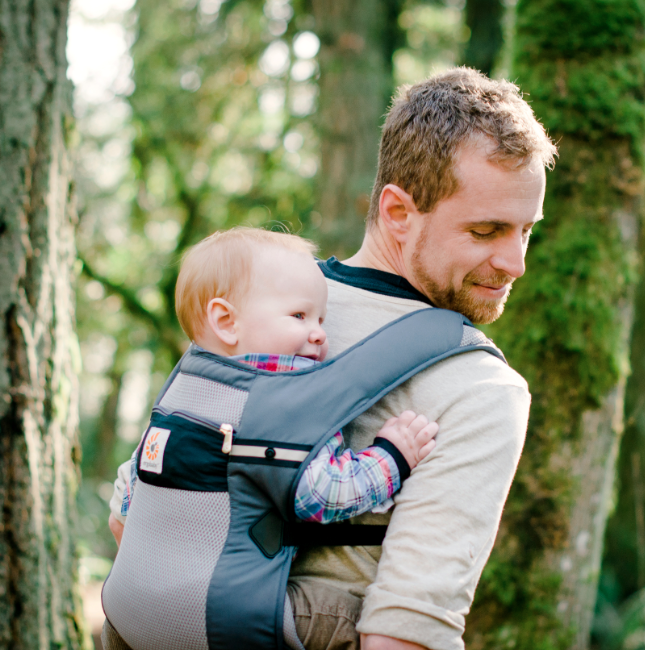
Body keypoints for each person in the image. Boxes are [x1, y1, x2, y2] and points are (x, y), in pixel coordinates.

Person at [287, 67, 556, 650]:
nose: (516, 264)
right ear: (399, 212)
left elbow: (130, 521)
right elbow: (402, 636)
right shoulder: (479, 387)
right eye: (486, 231)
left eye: (526, 231)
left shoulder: (254, 311)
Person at [106, 228, 441, 650]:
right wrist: (393, 457)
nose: (319, 333)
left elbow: (130, 496)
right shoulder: (290, 398)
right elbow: (323, 494)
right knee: (350, 616)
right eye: (299, 317)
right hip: (220, 621)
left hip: (124, 615)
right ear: (226, 321)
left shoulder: (183, 391)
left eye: (321, 319)